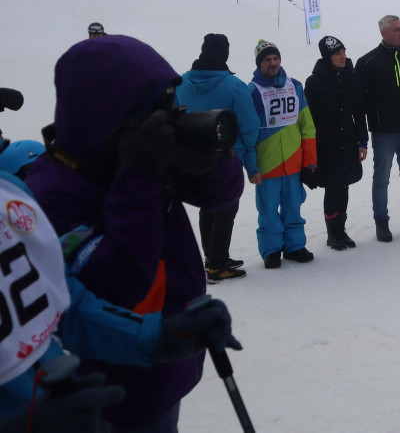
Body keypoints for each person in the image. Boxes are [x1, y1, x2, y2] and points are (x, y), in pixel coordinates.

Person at [26, 35, 246, 431]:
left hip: (169, 363)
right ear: (107, 118)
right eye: (155, 110)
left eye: (170, 102)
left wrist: (211, 162)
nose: (170, 118)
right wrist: (140, 178)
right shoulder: (48, 198)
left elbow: (223, 196)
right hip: (106, 392)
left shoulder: (137, 152)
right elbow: (115, 285)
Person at [176, 33, 260, 283]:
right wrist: (249, 159)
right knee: (226, 207)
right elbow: (250, 125)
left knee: (207, 205)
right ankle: (217, 264)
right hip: (225, 155)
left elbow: (173, 116)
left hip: (193, 155)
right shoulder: (234, 86)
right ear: (225, 54)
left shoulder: (181, 82)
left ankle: (212, 256)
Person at [355, 15, 400, 242]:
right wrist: (378, 114)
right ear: (383, 33)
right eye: (396, 30)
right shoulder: (368, 62)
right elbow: (360, 98)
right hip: (384, 132)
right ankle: (382, 222)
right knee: (382, 177)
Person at [249, 39, 318, 268]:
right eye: (267, 60)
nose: (273, 63)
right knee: (268, 210)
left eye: (275, 58)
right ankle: (271, 250)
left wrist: (310, 161)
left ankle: (295, 246)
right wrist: (251, 165)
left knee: (293, 205)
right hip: (267, 164)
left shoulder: (295, 86)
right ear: (260, 64)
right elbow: (247, 133)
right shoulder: (252, 92)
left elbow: (307, 126)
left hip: (293, 161)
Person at [305, 35, 368, 250]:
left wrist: (363, 140)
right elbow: (309, 119)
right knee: (332, 187)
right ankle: (333, 234)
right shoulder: (314, 82)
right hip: (326, 143)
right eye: (337, 54)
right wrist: (311, 150)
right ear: (327, 57)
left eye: (343, 52)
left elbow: (360, 112)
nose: (343, 57)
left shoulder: (352, 77)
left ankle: (341, 230)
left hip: (348, 140)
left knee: (344, 186)